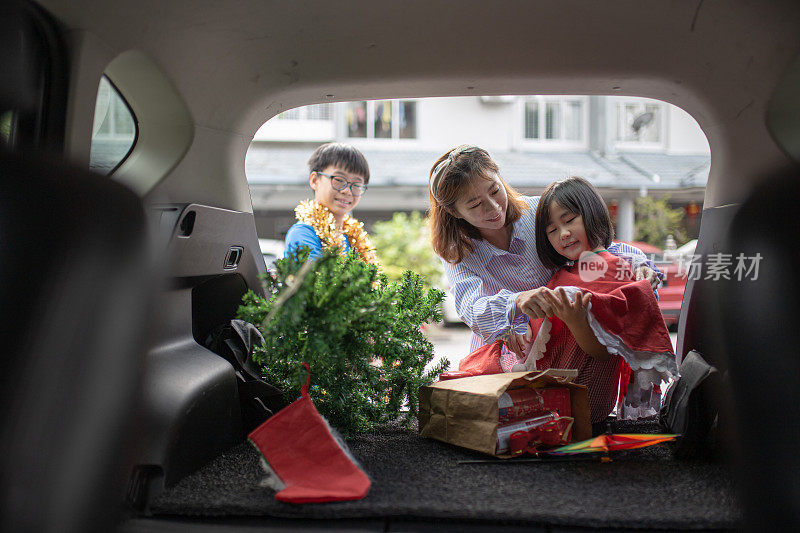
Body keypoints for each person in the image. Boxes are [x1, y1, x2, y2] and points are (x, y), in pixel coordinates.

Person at [429, 145, 663, 377]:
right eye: (475, 204)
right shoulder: (457, 251)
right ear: (455, 212)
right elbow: (471, 308)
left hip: (567, 346)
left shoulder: (535, 212)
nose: (494, 207)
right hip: (510, 357)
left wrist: (638, 263)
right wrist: (516, 304)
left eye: (494, 190)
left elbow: (593, 244)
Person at [510, 176, 677, 423]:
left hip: (584, 402)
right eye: (552, 230)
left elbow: (602, 353)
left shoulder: (614, 270)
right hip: (556, 394)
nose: (563, 234)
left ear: (592, 214)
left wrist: (576, 320)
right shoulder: (566, 272)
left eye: (569, 221)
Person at [284, 142, 378, 264]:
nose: (347, 191)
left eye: (357, 185)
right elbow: (319, 281)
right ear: (314, 180)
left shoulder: (352, 238)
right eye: (339, 180)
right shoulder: (303, 233)